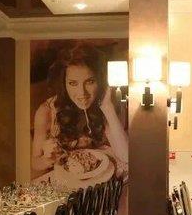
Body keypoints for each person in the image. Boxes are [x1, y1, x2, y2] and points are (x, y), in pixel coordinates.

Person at [31, 42, 128, 181]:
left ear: (100, 81)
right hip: (67, 182)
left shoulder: (108, 104)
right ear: (63, 83)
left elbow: (125, 157)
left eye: (90, 82)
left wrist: (107, 107)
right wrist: (48, 159)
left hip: (102, 178)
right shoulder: (46, 111)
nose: (82, 93)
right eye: (73, 83)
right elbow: (35, 163)